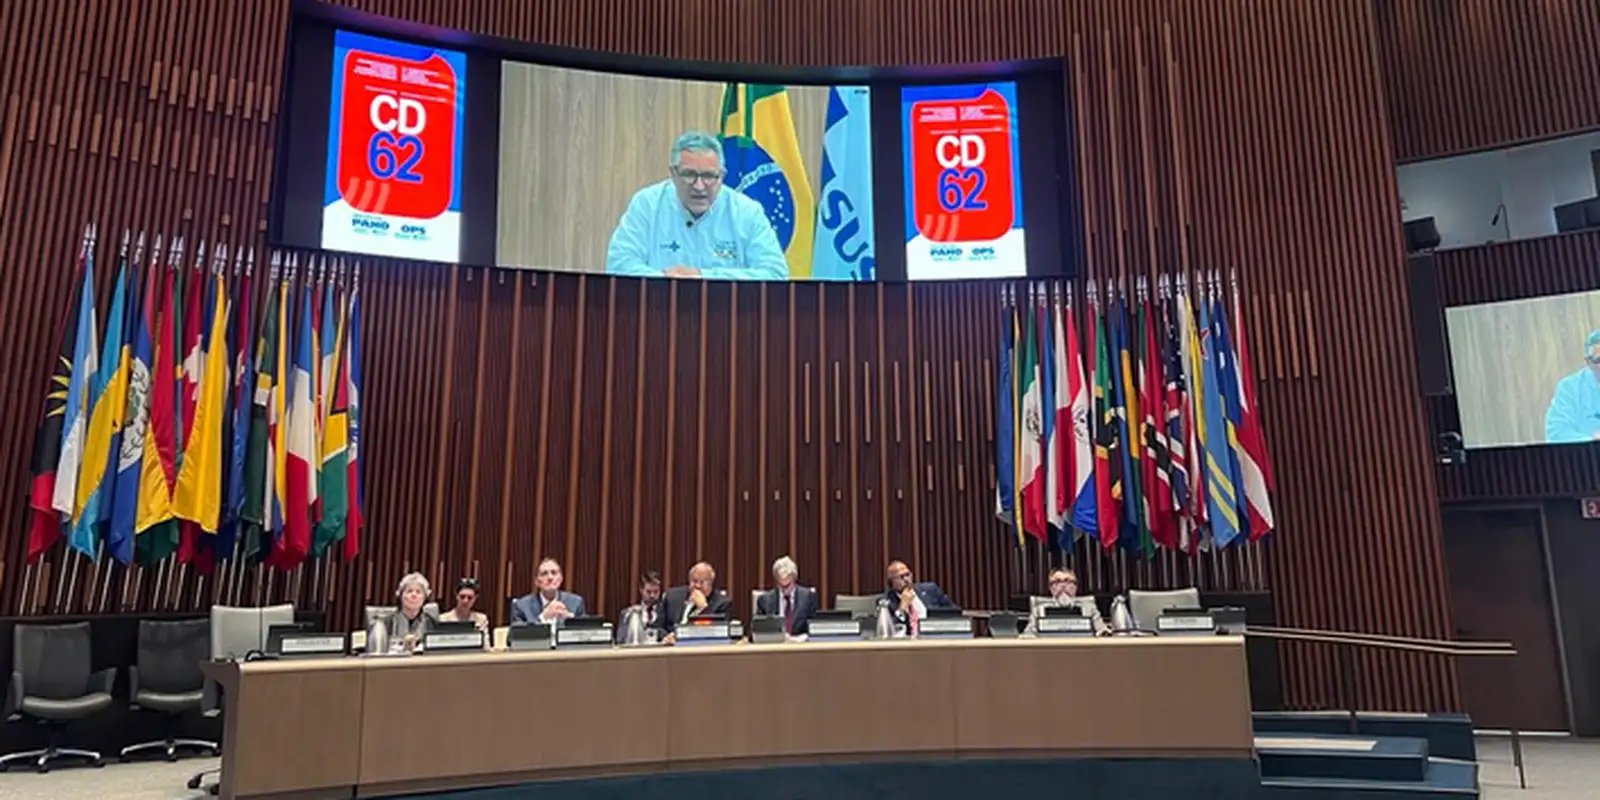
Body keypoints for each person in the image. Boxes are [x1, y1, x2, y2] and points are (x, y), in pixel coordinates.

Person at [605, 131, 788, 281]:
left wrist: (702, 277)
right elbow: (618, 265)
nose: (699, 186)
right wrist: (668, 281)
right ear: (673, 174)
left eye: (708, 176)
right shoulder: (647, 205)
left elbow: (775, 274)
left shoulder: (747, 212)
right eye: (689, 175)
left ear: (722, 176)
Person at [1545, 330, 1600, 443]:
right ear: (1588, 363)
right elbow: (1556, 434)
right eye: (1599, 360)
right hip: (1586, 452)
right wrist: (1591, 442)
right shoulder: (1570, 389)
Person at [879, 560, 955, 638]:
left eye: (908, 575)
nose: (906, 579)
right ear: (891, 582)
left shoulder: (930, 590)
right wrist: (902, 608)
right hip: (908, 640)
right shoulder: (886, 602)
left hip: (936, 636)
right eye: (901, 577)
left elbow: (953, 611)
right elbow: (890, 629)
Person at [1025, 568, 1110, 636]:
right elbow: (1028, 634)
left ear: (1075, 587)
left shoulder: (1089, 608)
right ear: (1051, 588)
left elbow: (1102, 630)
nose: (1063, 585)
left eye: (1068, 581)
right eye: (1057, 582)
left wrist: (1103, 632)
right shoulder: (1038, 611)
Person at [655, 561, 732, 635]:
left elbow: (716, 632)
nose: (697, 586)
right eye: (694, 581)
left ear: (711, 583)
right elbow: (657, 627)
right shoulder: (672, 597)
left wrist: (703, 608)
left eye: (702, 582)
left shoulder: (722, 603)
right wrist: (667, 636)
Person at [371, 572, 440, 654]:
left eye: (418, 592)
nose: (414, 595)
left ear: (424, 598)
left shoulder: (432, 624)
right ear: (400, 596)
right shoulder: (386, 624)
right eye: (409, 591)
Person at [754, 555, 819, 636]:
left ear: (794, 579)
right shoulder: (764, 600)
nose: (785, 590)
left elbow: (815, 628)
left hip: (799, 642)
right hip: (774, 642)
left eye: (787, 585)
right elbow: (757, 631)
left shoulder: (808, 598)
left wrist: (804, 638)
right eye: (781, 585)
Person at [509, 558, 587, 625]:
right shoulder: (521, 606)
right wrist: (543, 618)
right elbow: (516, 634)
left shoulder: (575, 602)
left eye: (554, 573)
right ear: (537, 581)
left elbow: (585, 631)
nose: (550, 577)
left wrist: (570, 620)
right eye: (544, 574)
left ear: (561, 579)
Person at [616, 570, 665, 642]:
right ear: (641, 590)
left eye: (656, 592)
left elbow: (670, 633)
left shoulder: (666, 611)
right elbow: (620, 639)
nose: (652, 595)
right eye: (648, 592)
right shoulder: (627, 613)